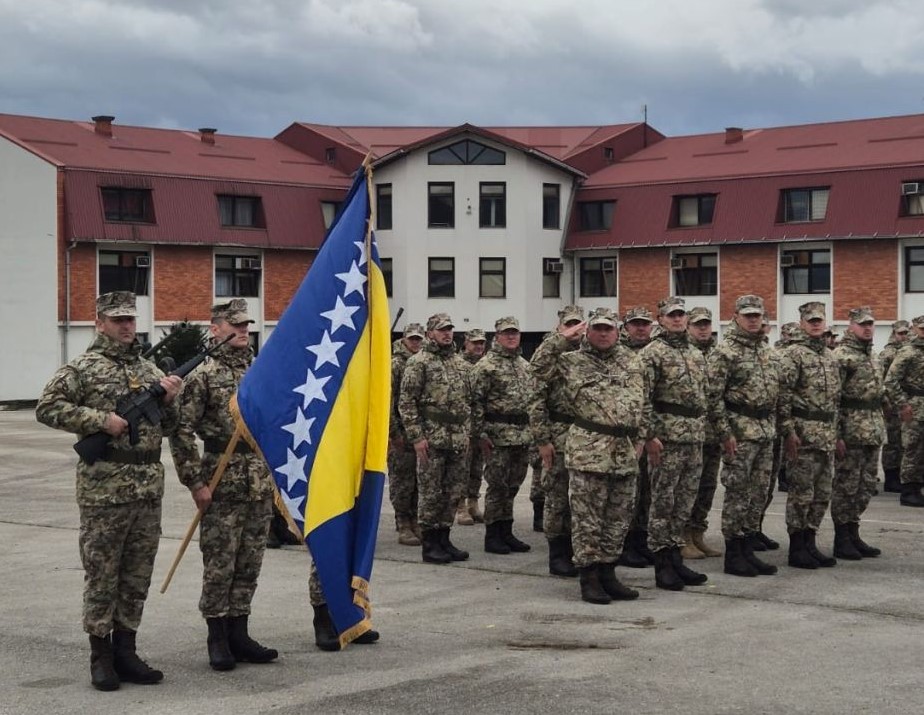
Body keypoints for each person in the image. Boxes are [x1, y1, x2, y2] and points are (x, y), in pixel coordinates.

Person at [36, 291, 182, 691]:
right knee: (102, 575)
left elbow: (169, 427)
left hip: (147, 490)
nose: (126, 326)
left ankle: (127, 651)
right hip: (104, 491)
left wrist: (170, 400)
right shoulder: (82, 368)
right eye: (118, 320)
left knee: (137, 575)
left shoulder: (150, 369)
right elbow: (47, 407)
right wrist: (101, 420)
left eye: (130, 319)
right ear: (99, 322)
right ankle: (101, 656)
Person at [170, 299, 277, 671]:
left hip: (258, 479)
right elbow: (181, 431)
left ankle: (239, 633)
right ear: (215, 329)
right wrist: (195, 482)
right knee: (220, 562)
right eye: (236, 325)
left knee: (250, 561)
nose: (244, 330)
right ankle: (217, 636)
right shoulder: (203, 375)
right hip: (221, 478)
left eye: (247, 325)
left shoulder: (260, 371)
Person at [533, 307, 643, 604]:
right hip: (589, 450)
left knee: (618, 517)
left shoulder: (632, 361)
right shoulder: (571, 361)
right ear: (587, 332)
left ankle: (608, 573)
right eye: (598, 329)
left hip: (623, 451)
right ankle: (589, 577)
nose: (603, 334)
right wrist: (560, 339)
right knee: (587, 519)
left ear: (617, 332)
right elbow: (537, 371)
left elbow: (643, 402)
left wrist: (641, 437)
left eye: (609, 329)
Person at [639, 297, 709, 591]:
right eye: (672, 315)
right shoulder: (652, 353)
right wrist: (649, 436)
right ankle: (662, 563)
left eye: (681, 315)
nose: (678, 319)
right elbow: (641, 398)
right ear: (661, 319)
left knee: (684, 502)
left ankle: (676, 557)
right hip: (666, 439)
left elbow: (703, 396)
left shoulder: (695, 353)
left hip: (693, 437)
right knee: (662, 503)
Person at [706, 295, 779, 577]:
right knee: (737, 492)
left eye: (756, 315)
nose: (752, 320)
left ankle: (748, 548)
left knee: (758, 492)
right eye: (747, 315)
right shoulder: (725, 352)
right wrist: (725, 432)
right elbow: (713, 397)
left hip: (764, 431)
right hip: (739, 432)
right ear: (736, 317)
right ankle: (734, 553)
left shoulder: (766, 350)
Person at [399, 313, 473, 563]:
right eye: (441, 330)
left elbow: (468, 401)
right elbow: (407, 402)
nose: (447, 333)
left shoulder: (459, 363)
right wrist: (416, 436)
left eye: (449, 329)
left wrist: (467, 432)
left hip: (457, 439)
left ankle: (444, 538)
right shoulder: (419, 362)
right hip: (432, 438)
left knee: (453, 492)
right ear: (430, 333)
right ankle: (430, 543)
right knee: (431, 492)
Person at [779, 301, 842, 568]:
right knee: (801, 493)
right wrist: (788, 432)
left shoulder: (830, 356)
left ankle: (810, 541)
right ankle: (797, 547)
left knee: (822, 493)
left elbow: (835, 400)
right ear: (802, 324)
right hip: (803, 434)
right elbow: (783, 396)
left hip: (826, 435)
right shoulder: (793, 354)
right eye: (811, 321)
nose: (816, 325)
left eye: (819, 320)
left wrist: (837, 434)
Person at [529, 305, 586, 577]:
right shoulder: (550, 355)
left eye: (578, 325)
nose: (574, 331)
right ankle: (557, 554)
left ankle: (578, 549)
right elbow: (536, 399)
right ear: (559, 328)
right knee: (557, 498)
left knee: (582, 498)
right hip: (558, 435)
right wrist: (542, 439)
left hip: (586, 436)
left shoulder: (588, 354)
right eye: (568, 325)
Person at [472, 317, 534, 554]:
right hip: (496, 436)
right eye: (506, 333)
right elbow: (474, 402)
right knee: (497, 486)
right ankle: (493, 534)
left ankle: (506, 531)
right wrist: (479, 433)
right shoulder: (486, 366)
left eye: (514, 333)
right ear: (496, 336)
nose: (511, 337)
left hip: (521, 436)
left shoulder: (523, 365)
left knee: (513, 486)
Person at [831, 307, 884, 558]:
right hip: (850, 431)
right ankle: (841, 537)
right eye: (862, 324)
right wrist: (837, 435)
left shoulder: (873, 355)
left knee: (865, 486)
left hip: (872, 430)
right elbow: (833, 399)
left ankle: (853, 532)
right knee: (846, 485)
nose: (867, 328)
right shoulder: (841, 356)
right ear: (851, 326)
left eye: (870, 324)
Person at [682, 306, 723, 560]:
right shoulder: (684, 353)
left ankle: (698, 533)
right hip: (689, 434)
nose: (703, 329)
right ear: (688, 327)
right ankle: (683, 536)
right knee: (688, 488)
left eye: (706, 324)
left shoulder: (719, 354)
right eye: (698, 324)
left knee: (707, 487)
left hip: (713, 433)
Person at [617, 306, 656, 569]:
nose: (640, 328)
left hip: (652, 431)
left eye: (644, 324)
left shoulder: (656, 352)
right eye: (635, 324)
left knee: (647, 491)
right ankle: (625, 543)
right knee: (628, 491)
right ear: (626, 327)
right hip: (627, 434)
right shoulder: (619, 354)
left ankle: (641, 540)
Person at [389, 323, 426, 545]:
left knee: (419, 479)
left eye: (419, 339)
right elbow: (388, 400)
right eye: (412, 339)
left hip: (420, 430)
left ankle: (415, 520)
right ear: (404, 339)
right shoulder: (396, 364)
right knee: (402, 479)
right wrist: (394, 432)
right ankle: (403, 522)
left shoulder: (423, 362)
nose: (415, 343)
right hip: (401, 431)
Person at [883, 315, 924, 508]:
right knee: (912, 449)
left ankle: (918, 487)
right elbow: (890, 381)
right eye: (922, 329)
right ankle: (909, 491)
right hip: (914, 406)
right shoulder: (908, 352)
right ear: (914, 329)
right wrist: (903, 404)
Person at [457, 328, 487, 526]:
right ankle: (460, 506)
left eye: (481, 343)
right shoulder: (459, 364)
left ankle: (473, 503)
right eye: (474, 342)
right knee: (462, 467)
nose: (478, 346)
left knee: (477, 466)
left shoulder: (486, 364)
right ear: (466, 343)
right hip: (464, 426)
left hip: (482, 425)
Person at [879, 320, 910, 493]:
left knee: (906, 441)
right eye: (900, 333)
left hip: (907, 402)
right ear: (894, 334)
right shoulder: (888, 354)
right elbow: (881, 379)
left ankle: (902, 475)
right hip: (892, 403)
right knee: (893, 441)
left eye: (906, 333)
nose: (904, 336)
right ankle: (891, 478)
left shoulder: (910, 351)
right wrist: (885, 401)